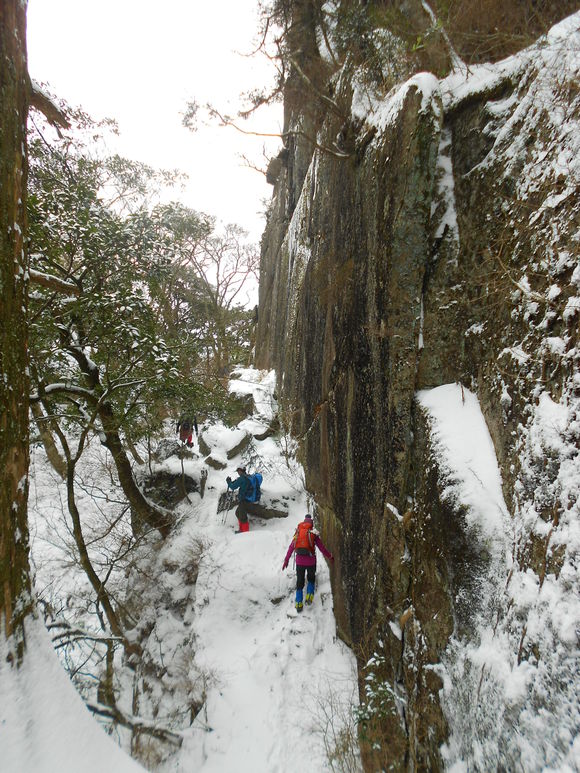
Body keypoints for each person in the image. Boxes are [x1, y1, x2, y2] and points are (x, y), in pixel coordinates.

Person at [282, 514, 333, 612]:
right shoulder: (313, 533)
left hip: (299, 562)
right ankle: (309, 595)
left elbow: (291, 547)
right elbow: (322, 548)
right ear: (311, 523)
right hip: (311, 561)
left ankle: (298, 603)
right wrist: (330, 556)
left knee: (300, 582)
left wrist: (286, 560)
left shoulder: (298, 533)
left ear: (304, 522)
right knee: (311, 578)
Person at [226, 466, 252, 533]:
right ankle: (242, 529)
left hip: (244, 499)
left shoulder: (242, 478)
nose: (238, 472)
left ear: (241, 471)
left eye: (238, 471)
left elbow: (233, 487)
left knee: (242, 516)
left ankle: (245, 532)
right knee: (238, 513)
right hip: (248, 499)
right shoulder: (248, 476)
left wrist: (228, 482)